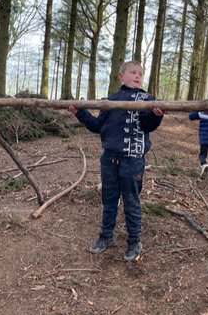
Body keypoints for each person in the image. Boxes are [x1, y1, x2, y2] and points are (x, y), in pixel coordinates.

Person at [69, 61, 164, 262]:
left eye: (140, 73)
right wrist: (80, 112)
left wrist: (156, 117)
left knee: (131, 201)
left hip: (132, 161)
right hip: (109, 159)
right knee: (109, 199)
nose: (137, 76)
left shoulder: (146, 99)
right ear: (121, 76)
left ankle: (134, 241)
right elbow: (96, 126)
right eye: (133, 72)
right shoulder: (110, 101)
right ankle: (105, 237)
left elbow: (147, 125)